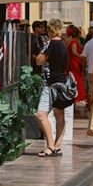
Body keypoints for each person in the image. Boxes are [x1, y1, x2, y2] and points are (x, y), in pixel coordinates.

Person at [35, 18, 67, 157]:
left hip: (50, 83)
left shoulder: (52, 43)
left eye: (47, 29)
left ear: (52, 30)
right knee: (59, 115)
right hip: (61, 82)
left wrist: (42, 50)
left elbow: (39, 60)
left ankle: (50, 146)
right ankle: (57, 146)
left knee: (41, 115)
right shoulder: (63, 44)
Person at [63, 25, 85, 105]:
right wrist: (82, 57)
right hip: (74, 63)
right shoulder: (74, 42)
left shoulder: (69, 42)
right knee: (77, 79)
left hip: (71, 62)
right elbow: (74, 52)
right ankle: (76, 99)